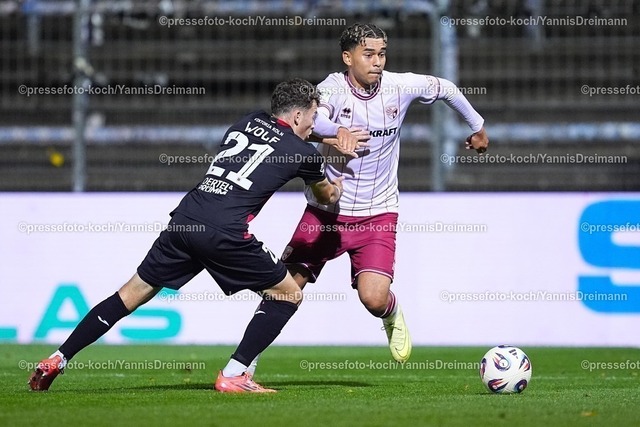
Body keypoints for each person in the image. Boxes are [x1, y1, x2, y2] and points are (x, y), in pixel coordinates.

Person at [28, 78, 344, 394]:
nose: (314, 125)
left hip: (186, 219)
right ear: (299, 116)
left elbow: (279, 135)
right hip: (224, 231)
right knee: (287, 294)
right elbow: (325, 194)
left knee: (130, 294)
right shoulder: (304, 154)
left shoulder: (248, 120)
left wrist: (323, 135)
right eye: (313, 116)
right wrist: (337, 185)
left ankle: (59, 357)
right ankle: (234, 374)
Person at [246, 23, 489, 374]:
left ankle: (391, 313)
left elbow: (446, 88)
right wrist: (337, 132)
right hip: (325, 211)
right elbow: (313, 122)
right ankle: (246, 363)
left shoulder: (400, 86)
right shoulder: (331, 89)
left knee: (373, 299)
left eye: (382, 54)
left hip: (378, 213)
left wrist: (477, 127)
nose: (377, 61)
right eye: (368, 54)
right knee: (284, 288)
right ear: (348, 58)